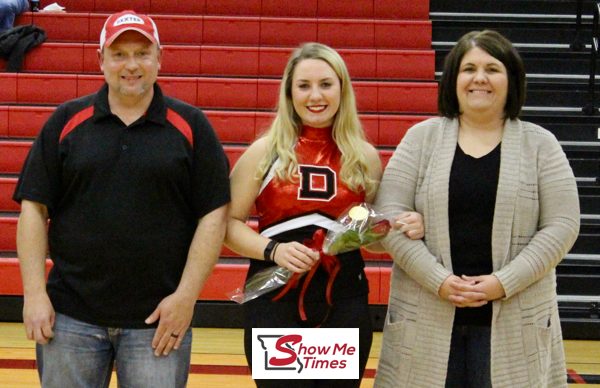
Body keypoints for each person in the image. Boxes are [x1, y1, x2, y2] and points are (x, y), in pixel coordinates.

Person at [13, 10, 230, 388]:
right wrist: (33, 295)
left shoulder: (191, 125)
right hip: (70, 317)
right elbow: (33, 207)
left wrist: (186, 298)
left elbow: (214, 215)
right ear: (101, 60)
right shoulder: (66, 120)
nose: (132, 65)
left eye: (142, 53)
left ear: (159, 58)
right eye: (119, 54)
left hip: (159, 321)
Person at [373, 30, 580, 388]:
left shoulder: (541, 145)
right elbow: (389, 215)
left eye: (492, 68)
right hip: (426, 317)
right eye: (468, 68)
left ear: (511, 79)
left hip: (516, 321)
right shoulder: (421, 138)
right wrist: (439, 282)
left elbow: (562, 226)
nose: (479, 78)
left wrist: (502, 283)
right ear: (453, 79)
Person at [224, 42, 424, 388]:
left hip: (343, 301)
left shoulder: (364, 156)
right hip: (275, 302)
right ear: (289, 92)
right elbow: (227, 226)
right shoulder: (264, 151)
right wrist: (273, 250)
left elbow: (372, 240)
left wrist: (401, 228)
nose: (315, 95)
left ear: (342, 89)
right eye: (304, 85)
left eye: (326, 84)